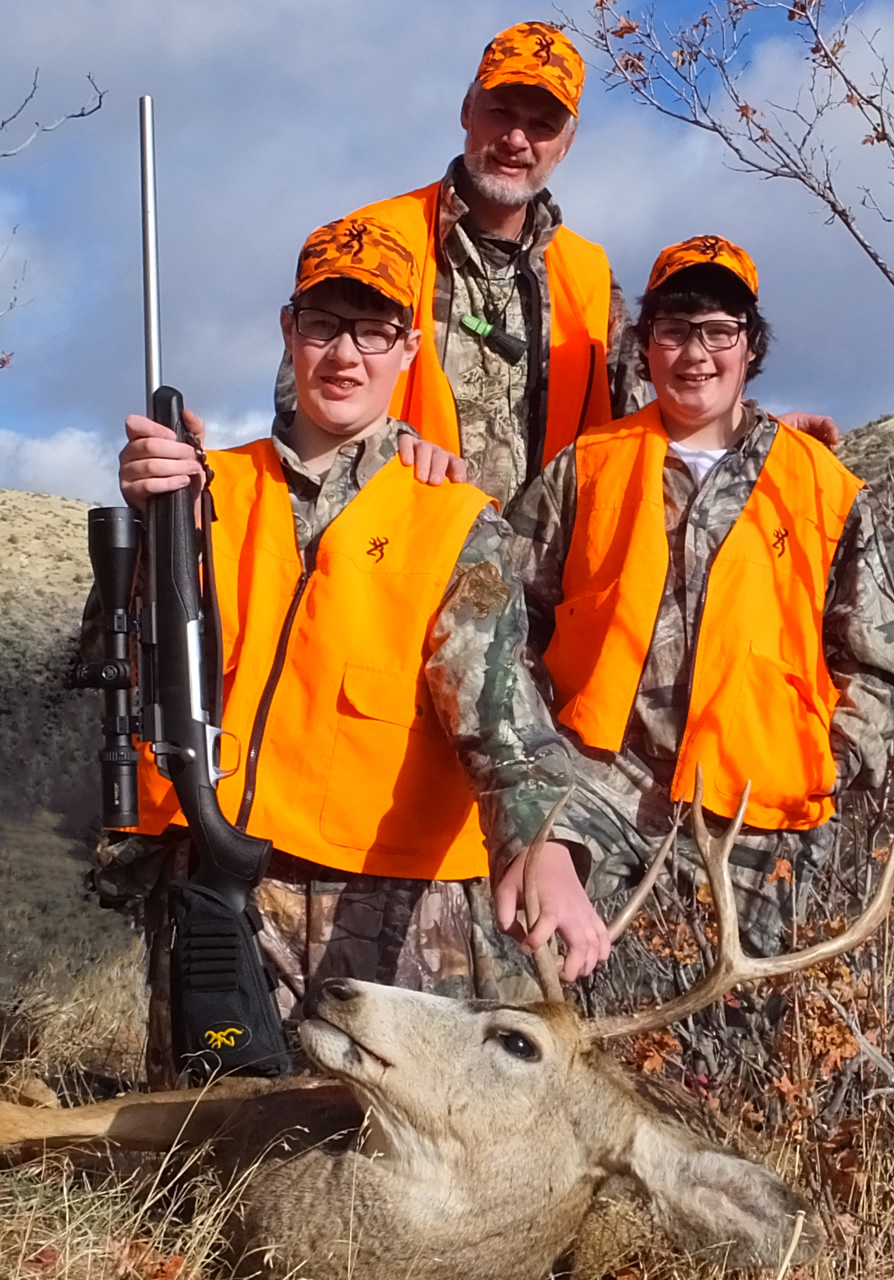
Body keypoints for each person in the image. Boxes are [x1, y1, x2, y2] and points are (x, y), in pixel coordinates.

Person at [113, 214, 577, 1086]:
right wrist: (149, 523)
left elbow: (499, 713)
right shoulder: (204, 491)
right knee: (211, 1136)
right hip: (219, 880)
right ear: (289, 332)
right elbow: (126, 658)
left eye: (373, 331)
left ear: (409, 350)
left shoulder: (453, 519)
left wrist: (538, 842)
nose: (345, 354)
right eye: (324, 325)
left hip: (396, 897)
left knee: (384, 1148)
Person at [493, 234, 894, 981]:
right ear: (644, 345)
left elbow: (879, 672)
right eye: (674, 330)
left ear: (750, 345)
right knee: (538, 982)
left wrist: (823, 765)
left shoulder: (822, 487)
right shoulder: (584, 468)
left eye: (719, 331)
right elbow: (506, 627)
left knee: (738, 1026)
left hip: (759, 812)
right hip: (598, 792)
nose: (696, 353)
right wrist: (540, 762)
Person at [276, 21, 839, 510]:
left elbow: (652, 415)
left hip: (549, 574)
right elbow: (303, 404)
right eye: (500, 112)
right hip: (397, 549)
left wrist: (749, 431)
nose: (516, 140)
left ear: (567, 142)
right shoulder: (371, 241)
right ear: (467, 111)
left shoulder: (588, 272)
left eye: (543, 124)